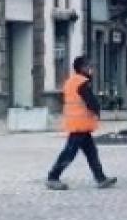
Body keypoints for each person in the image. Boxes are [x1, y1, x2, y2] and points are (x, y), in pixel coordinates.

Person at [46, 56, 117, 191]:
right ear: (82, 68)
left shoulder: (71, 81)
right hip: (79, 124)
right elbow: (90, 102)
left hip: (78, 123)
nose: (92, 70)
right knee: (69, 153)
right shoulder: (82, 82)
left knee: (91, 152)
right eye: (89, 67)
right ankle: (53, 177)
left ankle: (101, 178)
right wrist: (98, 109)